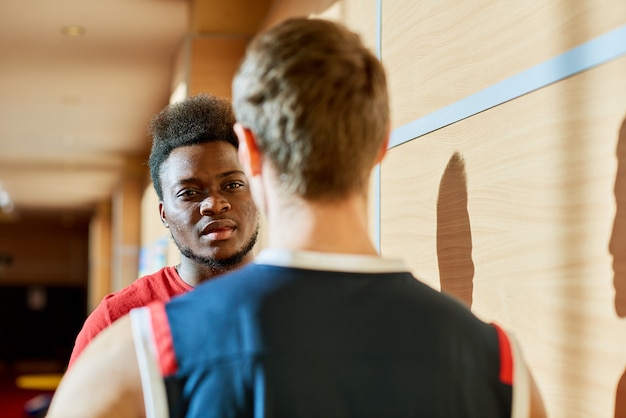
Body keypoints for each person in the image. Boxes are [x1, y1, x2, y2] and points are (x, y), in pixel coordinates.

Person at [47, 18, 546, 418]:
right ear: (380, 146)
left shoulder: (140, 357)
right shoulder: (499, 365)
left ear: (252, 152)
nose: (213, 204)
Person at [67, 93, 259, 368]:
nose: (214, 204)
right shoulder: (119, 320)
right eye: (189, 192)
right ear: (164, 214)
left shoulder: (297, 304)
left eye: (233, 185)